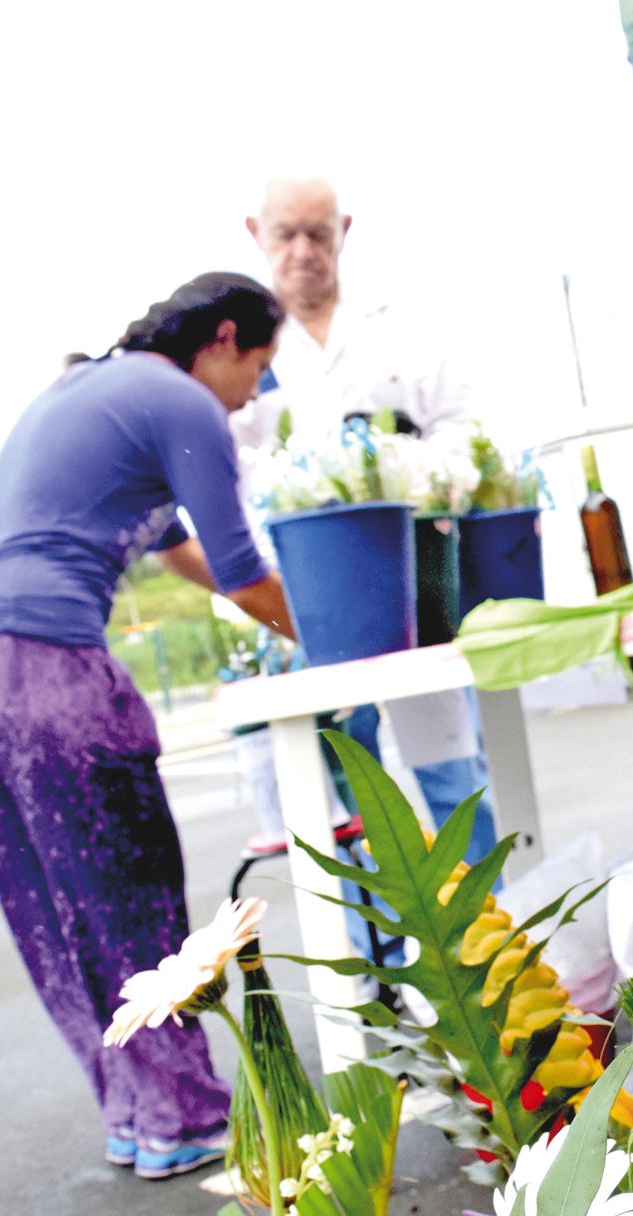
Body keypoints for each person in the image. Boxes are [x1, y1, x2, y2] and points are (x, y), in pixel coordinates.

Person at [0, 273, 295, 1179]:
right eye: (260, 368)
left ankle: (135, 1112)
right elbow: (244, 568)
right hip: (37, 663)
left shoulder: (93, 389)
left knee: (50, 907)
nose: (255, 394)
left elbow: (178, 554)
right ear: (225, 338)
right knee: (129, 889)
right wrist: (326, 635)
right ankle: (183, 1117)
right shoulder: (181, 398)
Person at [232, 176, 498, 966]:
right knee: (344, 809)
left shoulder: (400, 337)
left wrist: (394, 468)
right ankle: (386, 989)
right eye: (286, 235)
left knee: (452, 780)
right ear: (256, 232)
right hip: (301, 611)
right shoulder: (244, 350)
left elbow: (464, 432)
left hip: (412, 591)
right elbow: (221, 483)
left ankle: (494, 966)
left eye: (318, 233)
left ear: (345, 229)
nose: (303, 251)